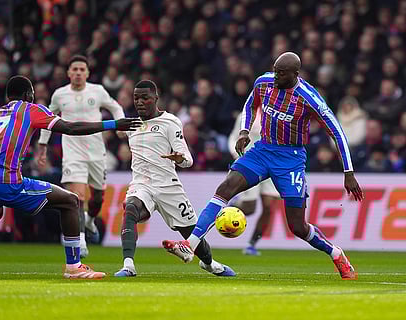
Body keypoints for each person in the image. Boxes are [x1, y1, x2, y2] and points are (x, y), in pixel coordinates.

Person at [163, 52, 364, 279]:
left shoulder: (310, 98)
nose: (276, 76)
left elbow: (337, 132)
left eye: (281, 73)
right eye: (275, 70)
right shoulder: (264, 82)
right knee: (225, 188)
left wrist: (348, 172)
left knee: (298, 227)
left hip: (291, 159)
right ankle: (189, 246)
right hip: (262, 150)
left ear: (295, 74)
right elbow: (250, 106)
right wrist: (244, 131)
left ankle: (336, 253)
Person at [0, 75, 141, 279]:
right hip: (7, 182)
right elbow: (69, 128)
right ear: (28, 94)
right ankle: (74, 267)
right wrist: (113, 124)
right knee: (70, 201)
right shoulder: (31, 109)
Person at [114, 80, 235, 277]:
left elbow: (188, 159)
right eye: (136, 98)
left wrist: (180, 158)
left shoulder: (170, 122)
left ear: (155, 98)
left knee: (190, 233)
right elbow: (115, 131)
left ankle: (210, 264)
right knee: (130, 209)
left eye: (145, 98)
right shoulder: (131, 124)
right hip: (141, 184)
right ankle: (128, 265)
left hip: (168, 186)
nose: (140, 102)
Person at [37, 55, 126, 258]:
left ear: (87, 73)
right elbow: (48, 120)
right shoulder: (60, 95)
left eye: (81, 69)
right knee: (76, 197)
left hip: (96, 152)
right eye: (74, 69)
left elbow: (115, 107)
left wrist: (120, 124)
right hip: (72, 153)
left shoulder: (98, 91)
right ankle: (81, 240)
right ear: (68, 73)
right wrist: (43, 144)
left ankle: (90, 220)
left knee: (97, 199)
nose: (78, 73)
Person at [228, 114, 281, 256]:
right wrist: (237, 154)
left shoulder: (279, 113)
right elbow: (233, 137)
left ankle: (251, 244)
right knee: (250, 208)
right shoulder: (246, 116)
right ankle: (230, 207)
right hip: (252, 164)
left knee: (269, 207)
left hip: (272, 163)